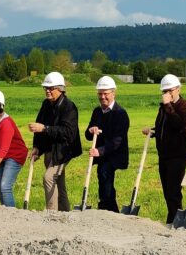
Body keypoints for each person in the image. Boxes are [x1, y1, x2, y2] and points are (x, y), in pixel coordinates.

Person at [28, 71, 81, 212]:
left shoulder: (69, 107)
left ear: (60, 89)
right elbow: (39, 126)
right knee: (59, 182)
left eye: (50, 88)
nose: (47, 91)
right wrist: (37, 147)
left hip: (64, 150)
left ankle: (52, 213)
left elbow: (68, 133)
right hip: (50, 150)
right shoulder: (46, 104)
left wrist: (45, 128)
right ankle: (65, 213)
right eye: (45, 88)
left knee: (48, 178)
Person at [147, 74, 186, 224]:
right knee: (167, 190)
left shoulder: (185, 106)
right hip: (164, 154)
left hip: (178, 154)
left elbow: (179, 125)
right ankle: (172, 217)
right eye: (164, 91)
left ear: (178, 89)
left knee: (174, 190)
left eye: (170, 90)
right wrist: (154, 131)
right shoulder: (164, 108)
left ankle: (175, 220)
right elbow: (166, 127)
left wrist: (168, 106)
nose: (167, 94)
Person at [85, 75, 130, 212]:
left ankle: (110, 208)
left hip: (116, 154)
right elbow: (88, 135)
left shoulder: (120, 114)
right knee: (102, 174)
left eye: (106, 94)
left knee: (104, 172)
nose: (102, 97)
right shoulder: (97, 112)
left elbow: (117, 142)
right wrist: (91, 130)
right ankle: (105, 205)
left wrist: (100, 151)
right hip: (103, 154)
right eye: (100, 94)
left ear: (113, 93)